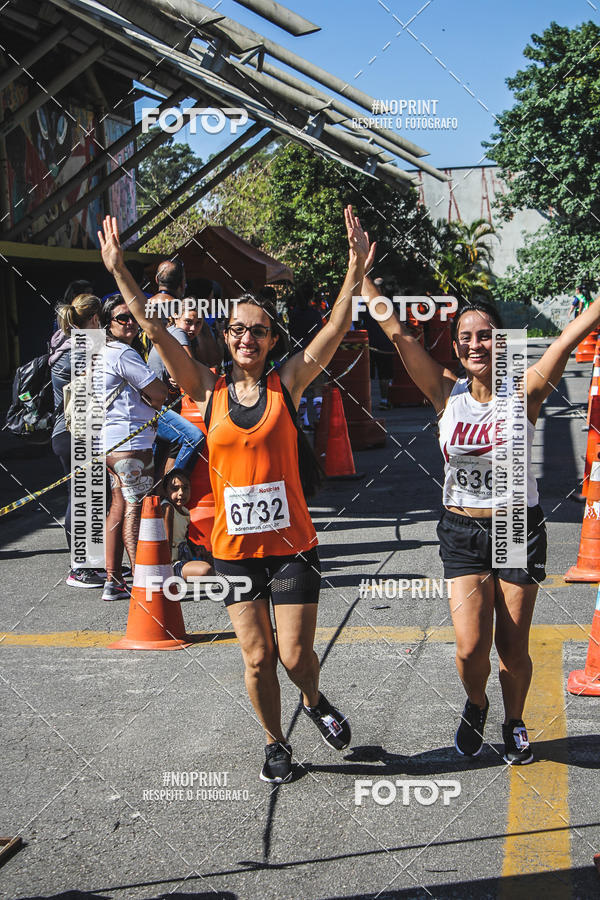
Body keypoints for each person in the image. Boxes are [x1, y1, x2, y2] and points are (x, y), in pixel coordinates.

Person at [98, 207, 373, 783]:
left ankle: (314, 701)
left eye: (260, 330)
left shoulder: (288, 382)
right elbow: (151, 328)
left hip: (293, 544)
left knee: (295, 657)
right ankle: (276, 743)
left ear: (273, 340)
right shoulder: (206, 386)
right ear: (227, 338)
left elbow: (335, 327)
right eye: (239, 329)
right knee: (257, 656)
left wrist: (354, 269)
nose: (248, 337)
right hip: (234, 551)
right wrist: (121, 271)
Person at [362, 266, 600, 765]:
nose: (476, 346)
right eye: (466, 338)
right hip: (461, 528)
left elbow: (569, 336)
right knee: (471, 649)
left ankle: (514, 721)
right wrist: (363, 277)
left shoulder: (525, 391)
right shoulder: (444, 392)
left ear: (502, 342)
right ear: (455, 347)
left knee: (513, 648)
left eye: (487, 337)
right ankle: (476, 704)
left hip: (516, 526)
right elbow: (397, 332)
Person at [101, 295, 168, 601]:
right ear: (107, 324)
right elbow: (158, 391)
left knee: (119, 506)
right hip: (132, 443)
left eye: (132, 317)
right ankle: (141, 578)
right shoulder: (123, 354)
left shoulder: (100, 352)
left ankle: (114, 579)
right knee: (136, 509)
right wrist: (157, 397)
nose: (129, 322)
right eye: (121, 318)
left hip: (112, 443)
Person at [49, 293, 104, 588]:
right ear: (94, 319)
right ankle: (80, 568)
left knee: (85, 497)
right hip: (76, 432)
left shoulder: (60, 342)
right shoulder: (80, 351)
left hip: (66, 432)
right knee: (82, 499)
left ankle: (87, 563)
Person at [162, 468, 214, 579]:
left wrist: (196, 548)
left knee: (215, 559)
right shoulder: (167, 508)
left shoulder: (185, 511)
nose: (181, 493)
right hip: (171, 563)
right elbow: (166, 542)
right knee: (206, 570)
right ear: (165, 491)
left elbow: (183, 538)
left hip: (185, 557)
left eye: (185, 488)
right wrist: (164, 571)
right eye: (175, 489)